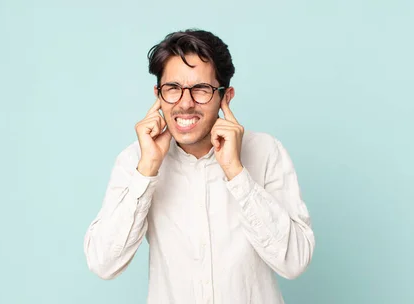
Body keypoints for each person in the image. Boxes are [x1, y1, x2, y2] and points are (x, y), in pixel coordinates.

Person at [83, 29, 315, 303]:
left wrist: (236, 173)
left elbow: (295, 261)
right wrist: (147, 170)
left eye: (201, 90)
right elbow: (103, 263)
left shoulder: (266, 152)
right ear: (158, 95)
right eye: (173, 89)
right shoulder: (135, 161)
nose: (185, 103)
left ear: (225, 97)